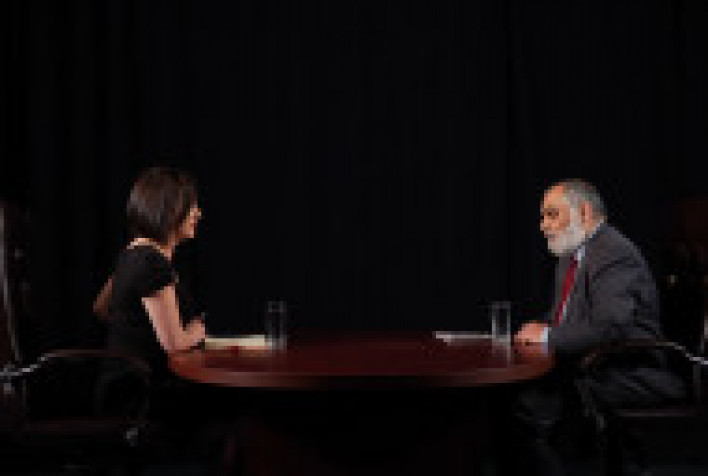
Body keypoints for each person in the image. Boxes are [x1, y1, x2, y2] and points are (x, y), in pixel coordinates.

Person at [505, 179, 684, 475]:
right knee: (512, 395)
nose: (543, 225)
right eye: (543, 216)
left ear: (585, 213)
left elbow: (610, 326)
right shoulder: (570, 255)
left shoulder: (613, 251)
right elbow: (565, 318)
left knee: (528, 404)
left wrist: (548, 335)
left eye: (552, 214)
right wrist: (539, 327)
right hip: (591, 364)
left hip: (630, 369)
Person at [94, 166, 207, 400]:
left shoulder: (133, 252)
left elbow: (101, 308)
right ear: (169, 209)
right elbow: (174, 344)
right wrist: (197, 331)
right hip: (139, 394)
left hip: (124, 386)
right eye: (192, 205)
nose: (198, 213)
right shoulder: (151, 263)